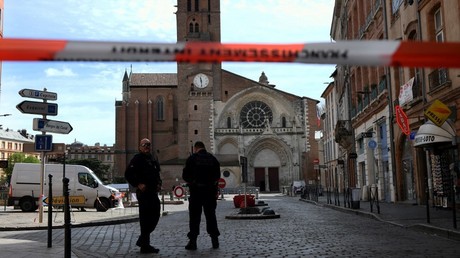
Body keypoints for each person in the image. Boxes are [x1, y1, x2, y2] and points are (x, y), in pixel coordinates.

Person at [125, 138, 162, 254]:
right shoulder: (137, 159)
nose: (146, 146)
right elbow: (128, 174)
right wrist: (138, 184)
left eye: (148, 145)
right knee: (145, 219)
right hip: (144, 193)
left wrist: (159, 183)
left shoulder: (152, 158)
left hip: (153, 192)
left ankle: (143, 240)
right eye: (144, 145)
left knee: (156, 215)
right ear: (140, 147)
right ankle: (145, 245)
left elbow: (157, 174)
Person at [182, 141, 221, 250]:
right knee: (211, 216)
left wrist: (192, 181)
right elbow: (217, 176)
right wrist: (214, 189)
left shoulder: (192, 159)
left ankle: (193, 241)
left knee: (194, 217)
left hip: (196, 192)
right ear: (204, 148)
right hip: (210, 192)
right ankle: (214, 240)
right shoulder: (213, 159)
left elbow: (185, 175)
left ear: (195, 148)